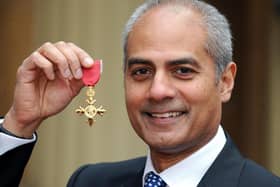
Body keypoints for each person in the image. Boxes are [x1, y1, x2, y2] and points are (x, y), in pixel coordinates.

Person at [0, 0, 279, 186]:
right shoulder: (90, 182)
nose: (158, 91)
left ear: (225, 81)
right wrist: (19, 123)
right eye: (142, 71)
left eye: (182, 70)